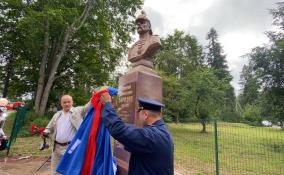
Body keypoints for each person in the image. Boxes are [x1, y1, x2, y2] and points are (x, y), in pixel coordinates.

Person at [100, 93, 174, 175]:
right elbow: (147, 148)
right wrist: (126, 144)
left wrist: (107, 104)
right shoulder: (161, 131)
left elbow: (119, 130)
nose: (137, 115)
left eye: (138, 111)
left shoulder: (152, 135)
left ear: (145, 114)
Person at [43, 95, 91, 175]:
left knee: (68, 170)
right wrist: (46, 131)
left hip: (70, 147)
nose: (67, 104)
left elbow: (87, 107)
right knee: (55, 171)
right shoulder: (57, 115)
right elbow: (49, 127)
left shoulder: (77, 111)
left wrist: (95, 96)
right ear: (61, 103)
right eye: (64, 102)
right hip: (56, 147)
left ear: (72, 102)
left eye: (69, 102)